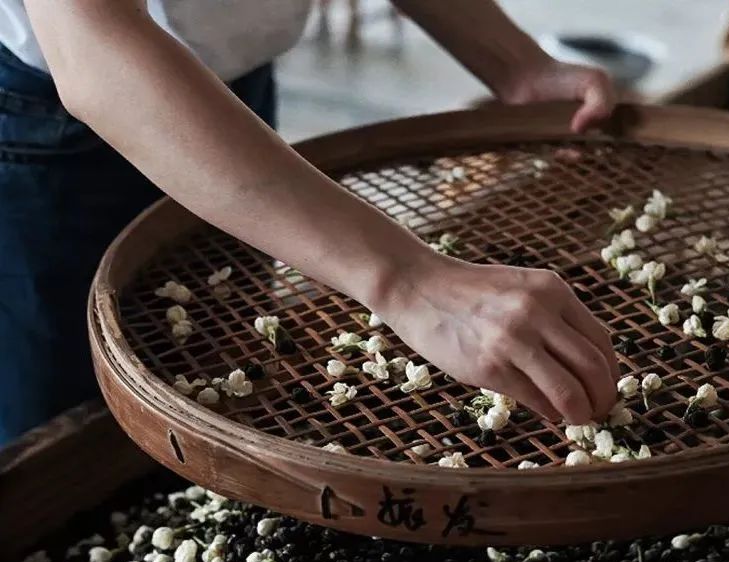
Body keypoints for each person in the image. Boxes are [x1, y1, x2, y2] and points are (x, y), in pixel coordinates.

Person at [0, 0, 620, 444]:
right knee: (75, 437)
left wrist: (513, 63)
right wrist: (407, 280)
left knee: (225, 382)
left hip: (224, 83)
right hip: (54, 125)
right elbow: (92, 49)